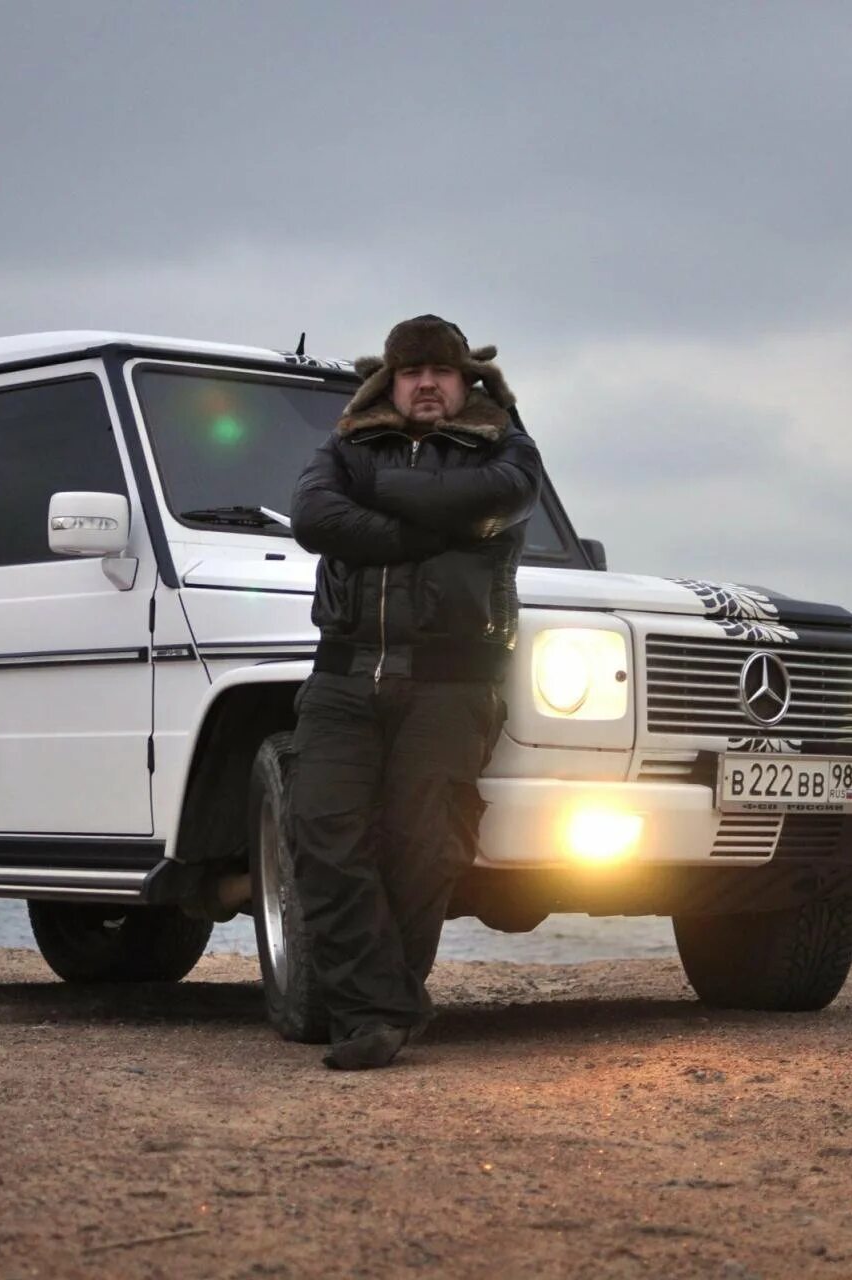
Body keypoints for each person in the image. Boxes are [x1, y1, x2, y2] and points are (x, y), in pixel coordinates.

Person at [287, 314, 545, 1070]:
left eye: (441, 371)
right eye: (411, 372)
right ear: (389, 381)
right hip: (342, 673)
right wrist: (427, 529)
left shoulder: (508, 446)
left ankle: (374, 1015)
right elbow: (312, 517)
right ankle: (386, 1005)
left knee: (423, 849)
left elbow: (497, 498)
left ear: (468, 380)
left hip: (451, 682)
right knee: (321, 834)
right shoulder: (345, 445)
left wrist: (374, 493)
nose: (426, 383)